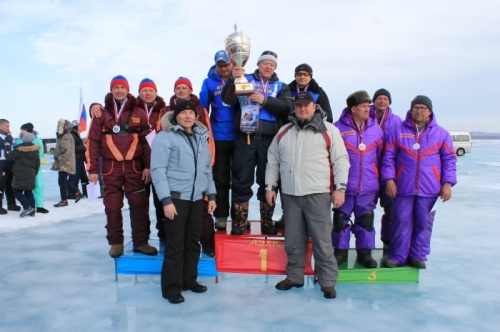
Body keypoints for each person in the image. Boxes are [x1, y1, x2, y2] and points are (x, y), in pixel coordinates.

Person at [265, 92, 349, 299]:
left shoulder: (329, 130)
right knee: (293, 240)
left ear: (314, 106)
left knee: (322, 240)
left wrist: (340, 188)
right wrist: (270, 186)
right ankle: (295, 276)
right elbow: (273, 160)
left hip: (318, 193)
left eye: (307, 105)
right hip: (291, 194)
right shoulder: (285, 131)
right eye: (299, 105)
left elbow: (341, 160)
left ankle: (327, 281)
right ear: (295, 107)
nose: (303, 109)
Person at [151, 100, 216, 304]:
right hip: (176, 200)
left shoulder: (200, 137)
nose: (188, 116)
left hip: (197, 199)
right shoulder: (165, 137)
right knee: (175, 244)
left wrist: (211, 195)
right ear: (175, 115)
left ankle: (189, 280)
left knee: (192, 243)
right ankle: (171, 288)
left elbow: (207, 169)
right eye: (183, 112)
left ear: (196, 116)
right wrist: (166, 200)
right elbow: (157, 171)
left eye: (191, 113)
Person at [222, 50, 294, 235]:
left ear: (275, 67)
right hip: (245, 138)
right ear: (258, 65)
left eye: (272, 64)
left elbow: (286, 108)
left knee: (268, 181)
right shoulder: (245, 80)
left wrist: (265, 100)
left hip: (270, 141)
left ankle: (267, 221)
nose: (268, 66)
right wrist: (232, 79)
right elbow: (227, 99)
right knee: (240, 179)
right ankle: (239, 221)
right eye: (265, 63)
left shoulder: (281, 86)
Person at [382, 96, 456, 269]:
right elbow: (388, 158)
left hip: (430, 188)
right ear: (411, 110)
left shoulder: (441, 134)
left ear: (429, 111)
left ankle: (417, 255)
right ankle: (398, 256)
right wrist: (390, 180)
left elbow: (449, 161)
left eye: (423, 108)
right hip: (403, 187)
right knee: (401, 221)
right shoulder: (398, 132)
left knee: (424, 223)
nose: (419, 111)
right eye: (416, 107)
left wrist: (447, 183)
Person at [87, 75, 158, 258]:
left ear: (128, 90)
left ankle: (141, 242)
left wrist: (148, 166)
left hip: (135, 168)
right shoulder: (100, 113)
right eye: (116, 87)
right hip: (111, 168)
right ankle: (116, 242)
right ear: (111, 90)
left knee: (139, 206)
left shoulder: (138, 112)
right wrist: (93, 169)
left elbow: (147, 143)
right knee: (112, 206)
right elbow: (93, 141)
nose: (119, 90)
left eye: (122, 87)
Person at [159, 77, 216, 256]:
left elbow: (207, 138)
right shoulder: (165, 111)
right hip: (176, 178)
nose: (181, 90)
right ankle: (168, 242)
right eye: (178, 88)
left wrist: (208, 163)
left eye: (185, 88)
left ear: (190, 90)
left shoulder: (200, 110)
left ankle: (207, 244)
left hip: (199, 174)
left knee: (202, 215)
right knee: (170, 215)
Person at [332, 91, 384, 268]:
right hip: (345, 185)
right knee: (340, 219)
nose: (367, 109)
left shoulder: (376, 130)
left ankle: (365, 253)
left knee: (366, 220)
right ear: (353, 108)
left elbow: (380, 157)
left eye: (368, 106)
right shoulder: (337, 128)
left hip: (368, 185)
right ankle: (340, 252)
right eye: (363, 106)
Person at [370, 89, 402, 253]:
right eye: (379, 99)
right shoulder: (365, 116)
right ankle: (364, 248)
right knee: (365, 211)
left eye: (385, 99)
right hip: (368, 171)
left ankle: (388, 243)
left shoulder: (397, 121)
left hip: (389, 172)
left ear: (389, 102)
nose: (382, 101)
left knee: (391, 210)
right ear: (374, 101)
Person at [15, 123, 49, 213]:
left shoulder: (38, 140)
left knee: (39, 185)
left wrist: (30, 153)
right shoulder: (19, 141)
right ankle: (29, 206)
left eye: (23, 130)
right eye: (21, 130)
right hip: (23, 169)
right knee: (26, 188)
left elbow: (40, 153)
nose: (22, 132)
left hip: (35, 167)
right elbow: (16, 153)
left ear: (28, 130)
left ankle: (40, 206)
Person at [5, 132, 40, 217]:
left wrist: (7, 147)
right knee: (28, 191)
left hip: (20, 174)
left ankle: (27, 207)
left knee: (16, 191)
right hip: (31, 174)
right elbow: (37, 164)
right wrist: (34, 173)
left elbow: (9, 157)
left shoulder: (19, 149)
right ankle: (32, 211)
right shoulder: (35, 150)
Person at [51, 119, 84, 207]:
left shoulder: (66, 136)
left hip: (65, 162)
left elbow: (66, 150)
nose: (58, 127)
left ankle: (65, 199)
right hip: (64, 161)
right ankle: (76, 192)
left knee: (62, 180)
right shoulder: (62, 135)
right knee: (62, 180)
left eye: (59, 126)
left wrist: (60, 159)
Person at [0, 119, 21, 214]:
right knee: (1, 185)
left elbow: (11, 146)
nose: (9, 128)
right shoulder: (5, 137)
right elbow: (4, 145)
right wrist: (9, 137)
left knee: (10, 185)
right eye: (7, 126)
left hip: (10, 162)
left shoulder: (8, 137)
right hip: (1, 163)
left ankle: (11, 204)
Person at [68, 120, 88, 199]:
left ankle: (86, 192)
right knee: (74, 177)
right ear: (75, 127)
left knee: (83, 177)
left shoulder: (76, 135)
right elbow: (73, 148)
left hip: (80, 159)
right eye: (79, 126)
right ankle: (72, 193)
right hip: (75, 160)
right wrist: (84, 147)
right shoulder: (72, 135)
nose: (81, 127)